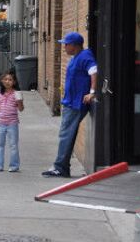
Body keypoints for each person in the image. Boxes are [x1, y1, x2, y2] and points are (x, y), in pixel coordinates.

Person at [42, 32, 97, 178]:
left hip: (75, 104)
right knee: (67, 135)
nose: (64, 47)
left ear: (74, 45)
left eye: (66, 44)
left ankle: (60, 167)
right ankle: (62, 166)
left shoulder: (85, 56)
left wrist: (92, 91)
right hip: (70, 102)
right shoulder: (76, 57)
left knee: (65, 135)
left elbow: (94, 71)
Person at [0, 70, 24, 172]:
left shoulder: (17, 94)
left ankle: (14, 166)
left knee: (13, 145)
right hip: (1, 123)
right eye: (5, 79)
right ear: (2, 81)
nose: (8, 81)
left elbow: (21, 109)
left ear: (14, 82)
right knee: (0, 145)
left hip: (12, 123)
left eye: (10, 80)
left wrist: (20, 102)